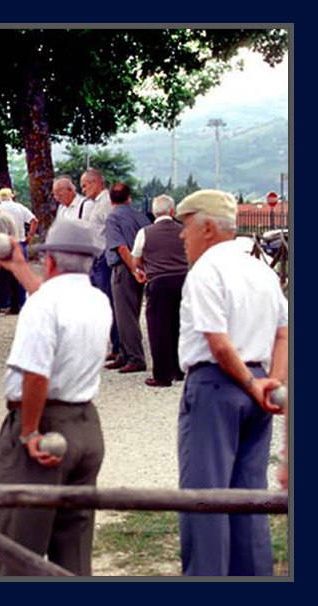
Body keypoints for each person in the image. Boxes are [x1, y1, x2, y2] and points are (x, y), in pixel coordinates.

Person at [175, 189, 288, 576]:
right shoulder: (260, 270)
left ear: (207, 228)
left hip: (216, 383)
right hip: (257, 383)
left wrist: (250, 382)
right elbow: (284, 333)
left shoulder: (206, 271)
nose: (181, 236)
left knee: (204, 499)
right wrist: (270, 381)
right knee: (249, 499)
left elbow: (218, 342)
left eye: (186, 226)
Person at [0, 218, 112, 576]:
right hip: (86, 425)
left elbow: (36, 374)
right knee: (73, 549)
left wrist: (28, 432)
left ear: (52, 261)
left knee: (20, 551)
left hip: (44, 424)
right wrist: (19, 269)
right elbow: (53, 302)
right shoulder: (96, 300)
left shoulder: (42, 305)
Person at [132, 195, 188, 387]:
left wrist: (142, 270)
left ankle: (162, 375)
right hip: (183, 281)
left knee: (158, 329)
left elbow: (135, 260)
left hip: (158, 282)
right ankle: (179, 369)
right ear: (172, 211)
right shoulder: (184, 231)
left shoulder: (145, 232)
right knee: (179, 326)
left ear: (155, 213)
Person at [104, 182, 152, 374]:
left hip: (124, 268)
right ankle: (124, 354)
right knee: (131, 312)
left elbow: (121, 247)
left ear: (110, 199)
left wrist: (133, 269)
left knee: (125, 315)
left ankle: (135, 357)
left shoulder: (113, 218)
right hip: (142, 266)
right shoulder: (141, 216)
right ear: (129, 197)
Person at [81, 169, 119, 361]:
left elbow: (113, 230)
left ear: (96, 182)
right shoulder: (95, 204)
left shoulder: (106, 204)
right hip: (96, 257)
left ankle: (118, 346)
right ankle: (113, 345)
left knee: (109, 303)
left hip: (104, 258)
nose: (84, 190)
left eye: (85, 185)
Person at [0, 187, 37, 309]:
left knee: (0, 275)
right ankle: (21, 302)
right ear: (12, 196)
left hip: (4, 244)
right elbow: (34, 220)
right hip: (20, 243)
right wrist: (29, 235)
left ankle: (3, 302)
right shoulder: (20, 208)